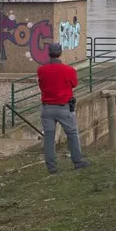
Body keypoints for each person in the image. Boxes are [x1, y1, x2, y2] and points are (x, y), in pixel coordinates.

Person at [37, 42, 90, 174]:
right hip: (63, 107)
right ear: (60, 54)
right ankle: (78, 162)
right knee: (72, 134)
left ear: (49, 54)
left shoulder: (41, 70)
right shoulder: (69, 70)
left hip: (47, 108)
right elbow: (74, 84)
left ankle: (52, 167)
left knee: (49, 138)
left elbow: (41, 85)